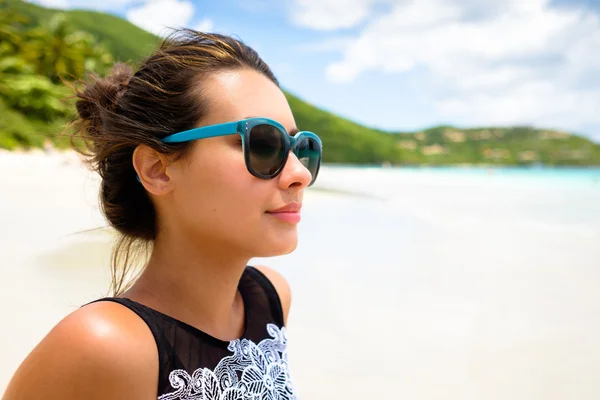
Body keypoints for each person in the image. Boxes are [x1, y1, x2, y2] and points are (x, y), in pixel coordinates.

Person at [3, 29, 322, 400]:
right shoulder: (104, 346)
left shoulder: (270, 297)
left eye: (303, 148)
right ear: (157, 169)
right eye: (264, 144)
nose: (299, 173)